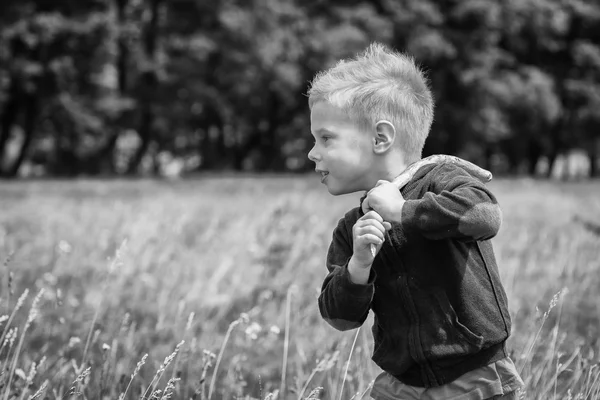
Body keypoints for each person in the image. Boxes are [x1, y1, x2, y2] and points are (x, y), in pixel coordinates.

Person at [307, 43, 524, 400]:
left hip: (476, 378)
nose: (312, 152)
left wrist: (403, 212)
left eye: (325, 137)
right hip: (400, 384)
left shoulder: (443, 179)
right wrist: (358, 267)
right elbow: (340, 318)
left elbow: (485, 216)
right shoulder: (352, 228)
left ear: (380, 138)